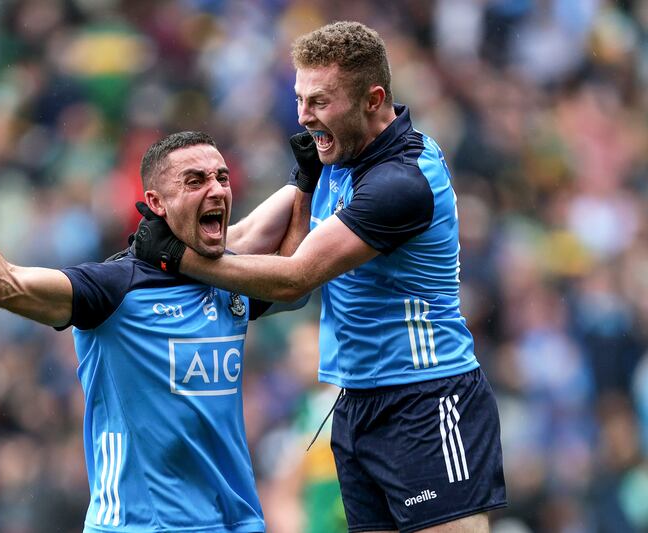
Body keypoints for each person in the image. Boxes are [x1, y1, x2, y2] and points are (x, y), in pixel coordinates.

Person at [132, 21, 507, 533]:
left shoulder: (402, 181)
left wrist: (178, 258)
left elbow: (295, 278)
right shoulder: (339, 154)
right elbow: (240, 241)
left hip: (426, 399)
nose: (304, 117)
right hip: (355, 403)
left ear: (373, 99)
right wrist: (126, 271)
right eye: (300, 98)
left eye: (320, 102)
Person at [0, 130, 312, 533]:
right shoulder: (115, 287)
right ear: (155, 202)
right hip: (137, 526)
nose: (216, 190)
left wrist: (307, 180)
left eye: (221, 178)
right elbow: (5, 284)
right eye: (195, 181)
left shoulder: (231, 280)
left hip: (237, 524)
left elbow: (291, 276)